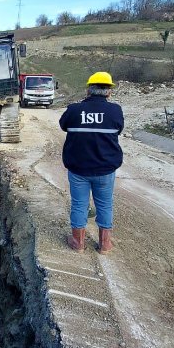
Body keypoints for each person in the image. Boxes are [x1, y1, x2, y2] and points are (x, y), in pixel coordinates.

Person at [59, 72, 124, 254]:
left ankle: (78, 243)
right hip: (105, 169)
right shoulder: (115, 111)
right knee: (104, 204)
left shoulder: (73, 110)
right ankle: (105, 245)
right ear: (109, 92)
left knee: (79, 204)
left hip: (78, 169)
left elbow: (63, 125)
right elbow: (118, 130)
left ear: (88, 90)